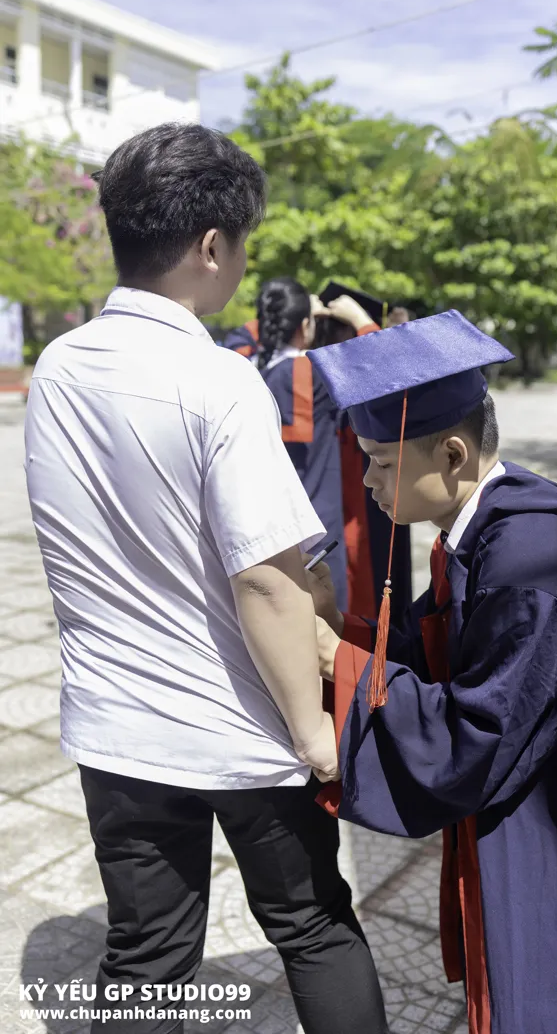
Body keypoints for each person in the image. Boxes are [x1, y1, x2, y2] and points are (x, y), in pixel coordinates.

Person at [24, 123, 387, 1034]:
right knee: (313, 927)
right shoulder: (218, 382)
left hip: (116, 723)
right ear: (212, 245)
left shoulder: (58, 366)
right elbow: (267, 582)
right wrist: (312, 728)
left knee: (147, 953)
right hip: (240, 725)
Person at [304, 310, 557, 1034]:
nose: (366, 481)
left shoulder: (531, 567)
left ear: (453, 454)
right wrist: (343, 628)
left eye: (380, 461)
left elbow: (473, 735)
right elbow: (438, 647)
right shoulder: (498, 520)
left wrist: (331, 659)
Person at [256, 279, 377, 610]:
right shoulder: (311, 370)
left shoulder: (252, 368)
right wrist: (360, 320)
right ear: (305, 324)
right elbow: (379, 364)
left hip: (270, 521)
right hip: (317, 520)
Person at [311, 286, 413, 626]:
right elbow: (391, 369)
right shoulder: (335, 374)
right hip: (357, 502)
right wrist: (364, 322)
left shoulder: (310, 369)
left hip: (350, 501)